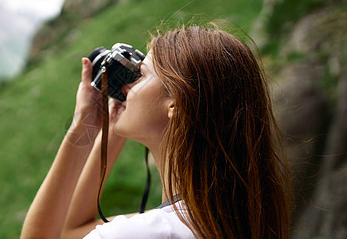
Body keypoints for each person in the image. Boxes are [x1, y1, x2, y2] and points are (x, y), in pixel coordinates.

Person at [20, 25, 292, 239]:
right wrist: (112, 127)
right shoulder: (228, 219)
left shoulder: (147, 233)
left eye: (141, 75)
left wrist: (81, 129)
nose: (126, 88)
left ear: (177, 103)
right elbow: (71, 231)